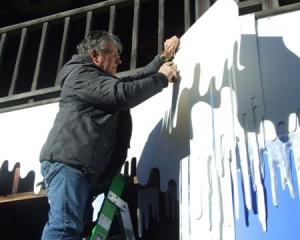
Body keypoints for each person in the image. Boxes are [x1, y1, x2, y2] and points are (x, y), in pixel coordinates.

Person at [39, 30, 179, 240]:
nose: (120, 60)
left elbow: (130, 81)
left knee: (77, 230)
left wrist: (162, 58)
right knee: (65, 227)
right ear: (95, 56)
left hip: (80, 167)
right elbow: (121, 94)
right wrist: (161, 78)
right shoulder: (80, 76)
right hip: (69, 163)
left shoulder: (94, 78)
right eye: (114, 55)